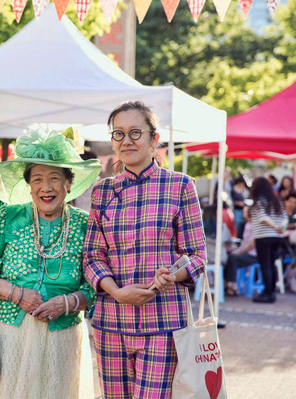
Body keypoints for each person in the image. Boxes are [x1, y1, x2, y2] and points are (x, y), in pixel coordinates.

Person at [83, 101, 206, 399]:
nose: (126, 140)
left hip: (163, 322)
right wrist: (114, 291)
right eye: (119, 134)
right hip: (110, 322)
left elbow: (197, 254)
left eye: (135, 132)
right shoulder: (102, 191)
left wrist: (173, 276)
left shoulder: (180, 186)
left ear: (154, 139)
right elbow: (92, 255)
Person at [0, 130, 102, 398]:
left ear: (68, 184)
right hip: (10, 336)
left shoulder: (86, 224)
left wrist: (66, 303)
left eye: (55, 179)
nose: (46, 187)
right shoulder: (8, 216)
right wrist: (17, 294)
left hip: (62, 338)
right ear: (29, 186)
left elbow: (96, 286)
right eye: (37, 179)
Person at [249, 177, 287, 303]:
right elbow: (285, 218)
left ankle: (268, 293)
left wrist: (275, 227)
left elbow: (262, 218)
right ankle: (271, 292)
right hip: (277, 237)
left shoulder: (258, 202)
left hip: (263, 237)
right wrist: (281, 228)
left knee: (265, 265)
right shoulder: (277, 201)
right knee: (272, 264)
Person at [224, 207, 258, 296]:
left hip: (253, 255)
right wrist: (238, 250)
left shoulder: (255, 225)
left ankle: (233, 286)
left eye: (245, 212)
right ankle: (227, 284)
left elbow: (251, 244)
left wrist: (240, 252)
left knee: (233, 259)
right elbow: (244, 241)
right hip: (246, 252)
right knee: (229, 257)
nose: (243, 213)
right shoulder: (247, 224)